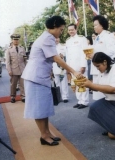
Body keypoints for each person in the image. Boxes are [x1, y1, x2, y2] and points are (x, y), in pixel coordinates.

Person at [21, 16, 83, 146]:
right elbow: (56, 59)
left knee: (44, 106)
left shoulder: (47, 37)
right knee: (39, 108)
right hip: (36, 77)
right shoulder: (47, 38)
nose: (61, 32)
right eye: (60, 29)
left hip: (40, 76)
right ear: (54, 26)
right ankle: (44, 136)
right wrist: (74, 71)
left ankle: (47, 132)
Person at [91, 15, 115, 100]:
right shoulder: (97, 37)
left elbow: (112, 51)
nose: (94, 27)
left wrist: (98, 57)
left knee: (103, 92)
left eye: (95, 25)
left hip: (104, 67)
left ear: (101, 25)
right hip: (96, 68)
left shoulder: (108, 36)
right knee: (97, 91)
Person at [65, 23, 89, 109]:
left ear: (76, 29)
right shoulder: (68, 41)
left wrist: (83, 65)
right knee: (76, 83)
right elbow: (68, 56)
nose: (71, 31)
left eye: (72, 29)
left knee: (82, 83)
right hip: (72, 67)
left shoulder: (82, 39)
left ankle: (85, 102)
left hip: (80, 65)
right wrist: (68, 68)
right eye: (69, 30)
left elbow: (85, 53)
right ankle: (79, 101)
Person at [5, 34, 26, 103]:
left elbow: (24, 59)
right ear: (12, 40)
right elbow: (7, 62)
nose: (16, 41)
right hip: (13, 70)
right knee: (13, 84)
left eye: (17, 40)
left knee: (22, 84)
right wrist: (9, 70)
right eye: (14, 39)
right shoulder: (9, 50)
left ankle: (23, 96)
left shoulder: (22, 48)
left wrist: (26, 69)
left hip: (22, 69)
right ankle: (13, 96)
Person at [52, 38, 69, 103]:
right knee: (57, 82)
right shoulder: (51, 47)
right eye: (54, 39)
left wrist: (63, 56)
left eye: (57, 38)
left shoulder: (63, 47)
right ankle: (58, 97)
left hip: (62, 67)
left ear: (59, 39)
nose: (56, 40)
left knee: (64, 82)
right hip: (55, 67)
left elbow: (66, 56)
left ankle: (65, 97)